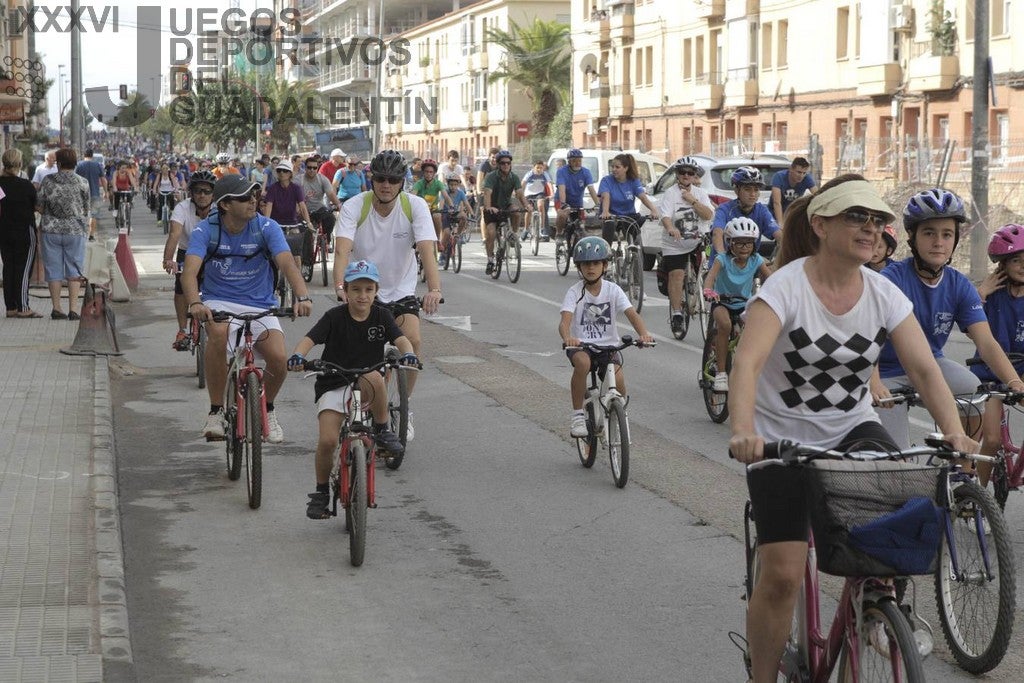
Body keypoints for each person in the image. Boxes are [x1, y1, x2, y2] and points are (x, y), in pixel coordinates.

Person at [727, 175, 977, 683]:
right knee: (782, 575)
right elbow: (746, 364)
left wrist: (954, 431)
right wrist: (744, 431)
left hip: (852, 427)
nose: (871, 228)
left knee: (896, 522)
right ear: (821, 226)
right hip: (782, 438)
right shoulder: (785, 287)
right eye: (856, 217)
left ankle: (875, 611)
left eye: (878, 220)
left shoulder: (884, 294)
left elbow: (926, 370)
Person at [871, 188, 1024, 450]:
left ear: (955, 239)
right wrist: (873, 382)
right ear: (912, 236)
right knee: (896, 458)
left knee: (973, 389)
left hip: (932, 365)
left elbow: (986, 343)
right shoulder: (889, 280)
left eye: (947, 234)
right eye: (929, 233)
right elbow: (868, 337)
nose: (938, 242)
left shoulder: (959, 285)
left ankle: (961, 466)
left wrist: (1015, 382)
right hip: (885, 372)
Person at [181, 175, 313, 444]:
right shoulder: (205, 230)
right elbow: (190, 273)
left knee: (279, 359)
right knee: (218, 334)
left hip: (261, 304)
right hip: (219, 301)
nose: (253, 201)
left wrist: (303, 296)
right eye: (245, 198)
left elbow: (287, 263)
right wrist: (195, 303)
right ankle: (216, 411)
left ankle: (268, 408)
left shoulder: (266, 227)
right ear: (225, 204)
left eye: (254, 195)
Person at [287, 260, 416, 520]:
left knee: (375, 376)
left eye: (368, 289)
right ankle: (321, 492)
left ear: (376, 291)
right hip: (333, 381)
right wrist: (298, 356)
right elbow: (309, 340)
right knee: (327, 441)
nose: (362, 295)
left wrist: (409, 353)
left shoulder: (382, 316)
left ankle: (382, 430)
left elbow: (401, 339)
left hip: (366, 384)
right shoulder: (334, 317)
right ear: (345, 291)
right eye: (356, 289)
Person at [332, 150, 442, 439]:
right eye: (380, 178)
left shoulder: (415, 206)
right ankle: (361, 406)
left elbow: (427, 250)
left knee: (412, 341)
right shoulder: (355, 206)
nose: (386, 185)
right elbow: (342, 250)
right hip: (364, 291)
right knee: (364, 360)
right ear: (372, 179)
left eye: (393, 180)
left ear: (402, 182)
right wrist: (340, 287)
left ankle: (406, 405)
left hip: (401, 290)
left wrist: (434, 289)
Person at [559, 236, 654, 437]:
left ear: (605, 265)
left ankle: (617, 415)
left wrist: (644, 334)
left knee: (619, 382)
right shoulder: (574, 292)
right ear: (579, 267)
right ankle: (577, 416)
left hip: (608, 347)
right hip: (582, 346)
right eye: (586, 264)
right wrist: (568, 338)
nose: (591, 268)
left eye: (596, 263)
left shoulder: (613, 290)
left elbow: (632, 314)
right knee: (583, 363)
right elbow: (564, 322)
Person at [970, 224, 1024, 487]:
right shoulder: (992, 296)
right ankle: (977, 498)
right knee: (990, 440)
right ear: (1002, 264)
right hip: (989, 373)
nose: (1023, 266)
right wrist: (980, 293)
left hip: (1020, 373)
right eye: (1016, 260)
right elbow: (968, 323)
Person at [702, 217, 771, 391]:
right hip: (721, 302)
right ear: (730, 243)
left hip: (744, 304)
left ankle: (749, 369)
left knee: (754, 331)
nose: (744, 247)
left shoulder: (756, 260)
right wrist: (708, 291)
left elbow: (771, 279)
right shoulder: (722, 259)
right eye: (739, 243)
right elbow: (710, 278)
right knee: (724, 325)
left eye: (749, 243)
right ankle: (721, 374)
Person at [658, 156, 714, 332]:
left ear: (694, 175)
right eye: (682, 172)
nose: (686, 175)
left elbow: (708, 215)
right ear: (677, 174)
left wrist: (692, 200)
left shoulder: (700, 193)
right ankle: (676, 313)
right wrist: (670, 228)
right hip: (675, 243)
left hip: (697, 240)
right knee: (676, 275)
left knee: (710, 268)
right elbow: (665, 216)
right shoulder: (670, 193)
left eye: (690, 173)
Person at [162, 170, 216, 350]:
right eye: (198, 191)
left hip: (213, 253)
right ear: (191, 192)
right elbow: (174, 234)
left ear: (213, 194)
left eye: (207, 191)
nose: (202, 195)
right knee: (180, 288)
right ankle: (183, 329)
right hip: (187, 252)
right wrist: (168, 259)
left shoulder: (219, 209)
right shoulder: (182, 208)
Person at [37, 148, 91, 320]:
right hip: (75, 230)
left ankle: (56, 308)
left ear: (58, 163)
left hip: (50, 230)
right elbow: (87, 208)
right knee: (74, 268)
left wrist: (50, 212)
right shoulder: (83, 182)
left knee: (53, 269)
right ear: (74, 163)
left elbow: (39, 206)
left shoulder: (47, 181)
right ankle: (73, 310)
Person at [0, 149, 40, 318]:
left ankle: (10, 307)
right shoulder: (25, 185)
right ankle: (23, 307)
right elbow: (38, 207)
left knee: (8, 267)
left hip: (4, 232)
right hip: (25, 232)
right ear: (19, 164)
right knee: (23, 269)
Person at [710, 166, 780, 259]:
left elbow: (778, 234)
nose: (753, 194)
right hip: (723, 262)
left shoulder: (762, 210)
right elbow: (717, 233)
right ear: (736, 190)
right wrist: (722, 257)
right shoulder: (725, 209)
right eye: (747, 189)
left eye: (756, 189)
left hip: (748, 263)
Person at [597, 153, 661, 245]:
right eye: (612, 167)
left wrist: (653, 210)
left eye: (617, 167)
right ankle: (606, 251)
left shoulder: (633, 181)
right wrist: (605, 212)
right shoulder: (606, 180)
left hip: (629, 216)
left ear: (626, 168)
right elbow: (606, 196)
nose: (614, 169)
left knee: (638, 232)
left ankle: (636, 249)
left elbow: (643, 197)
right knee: (609, 227)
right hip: (611, 216)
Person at [263, 161, 314, 271]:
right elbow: (269, 206)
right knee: (276, 254)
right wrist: (266, 223)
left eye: (285, 171)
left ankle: (298, 278)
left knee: (296, 254)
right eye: (279, 170)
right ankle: (277, 277)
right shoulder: (272, 188)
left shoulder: (296, 188)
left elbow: (302, 206)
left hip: (292, 223)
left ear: (290, 173)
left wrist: (309, 222)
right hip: (276, 224)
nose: (282, 173)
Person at [482, 149, 527, 275]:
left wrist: (526, 205)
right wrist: (489, 207)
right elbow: (487, 193)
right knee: (491, 233)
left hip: (506, 205)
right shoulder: (491, 176)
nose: (506, 165)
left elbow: (519, 193)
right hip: (492, 207)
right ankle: (490, 260)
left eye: (508, 163)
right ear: (498, 164)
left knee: (516, 212)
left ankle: (513, 235)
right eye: (503, 163)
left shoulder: (514, 177)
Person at [555, 148, 599, 242]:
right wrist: (563, 204)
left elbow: (591, 189)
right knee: (562, 214)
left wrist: (598, 204)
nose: (577, 163)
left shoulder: (586, 172)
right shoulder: (562, 171)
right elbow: (562, 189)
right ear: (569, 161)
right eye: (574, 161)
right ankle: (559, 234)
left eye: (579, 160)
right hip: (562, 200)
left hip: (577, 201)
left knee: (580, 225)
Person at [299, 155, 342, 246]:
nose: (312, 170)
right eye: (309, 167)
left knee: (331, 219)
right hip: (303, 210)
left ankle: (326, 241)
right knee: (304, 234)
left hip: (319, 209)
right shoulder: (298, 180)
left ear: (317, 168)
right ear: (305, 168)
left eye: (314, 168)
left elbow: (331, 194)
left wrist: (338, 205)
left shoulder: (322, 179)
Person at [410, 158, 451, 243]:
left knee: (437, 216)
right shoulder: (419, 183)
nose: (428, 174)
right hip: (421, 211)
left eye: (431, 172)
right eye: (426, 172)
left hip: (433, 210)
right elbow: (413, 196)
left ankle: (437, 240)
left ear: (434, 173)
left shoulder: (438, 183)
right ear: (423, 172)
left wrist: (452, 206)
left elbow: (446, 196)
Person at [770, 157, 816, 226]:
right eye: (799, 172)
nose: (801, 176)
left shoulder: (807, 178)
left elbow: (818, 196)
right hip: (775, 213)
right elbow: (777, 202)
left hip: (792, 213)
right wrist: (780, 224)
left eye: (804, 173)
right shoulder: (779, 176)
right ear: (791, 169)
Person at [75, 149, 107, 232]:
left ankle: (82, 232)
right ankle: (91, 235)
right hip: (95, 193)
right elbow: (103, 180)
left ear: (83, 155)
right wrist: (105, 192)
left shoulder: (78, 165)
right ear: (92, 155)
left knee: (81, 215)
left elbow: (73, 179)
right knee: (93, 215)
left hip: (81, 194)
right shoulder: (97, 165)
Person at [521, 160, 554, 240]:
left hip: (539, 193)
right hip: (529, 193)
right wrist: (521, 193)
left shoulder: (545, 174)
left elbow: (549, 184)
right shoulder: (530, 173)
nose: (539, 170)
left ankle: (542, 228)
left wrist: (552, 193)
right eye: (537, 168)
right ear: (534, 168)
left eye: (541, 168)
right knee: (529, 210)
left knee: (540, 205)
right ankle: (526, 229)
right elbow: (523, 183)